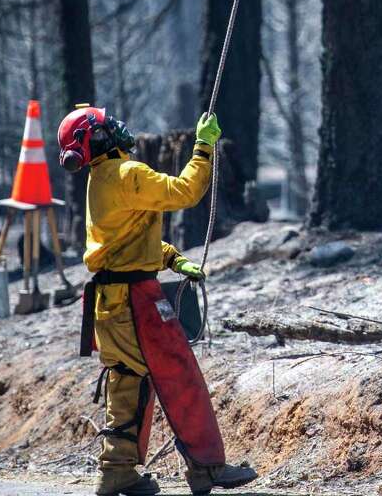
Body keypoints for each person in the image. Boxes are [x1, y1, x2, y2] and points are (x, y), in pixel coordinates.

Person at [57, 106, 257, 496]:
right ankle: (207, 467)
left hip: (109, 302)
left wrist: (171, 257)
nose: (116, 127)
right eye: (106, 126)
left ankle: (116, 471)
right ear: (97, 139)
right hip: (135, 299)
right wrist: (203, 146)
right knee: (179, 372)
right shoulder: (128, 173)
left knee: (128, 382)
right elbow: (186, 191)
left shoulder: (101, 178)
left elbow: (124, 237)